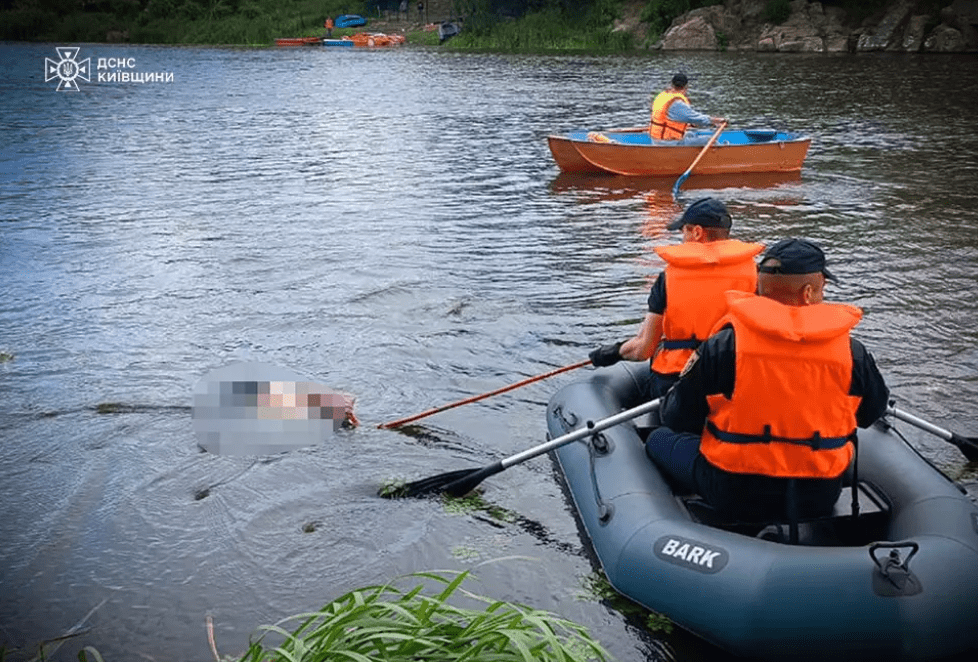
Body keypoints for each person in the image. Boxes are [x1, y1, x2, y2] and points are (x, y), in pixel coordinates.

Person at [645, 238, 890, 523]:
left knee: (657, 438)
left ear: (759, 289)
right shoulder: (853, 353)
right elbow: (871, 413)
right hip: (817, 496)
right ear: (809, 292)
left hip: (732, 489)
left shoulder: (723, 346)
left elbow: (677, 418)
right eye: (824, 287)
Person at [589, 198, 764, 399]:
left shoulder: (669, 278)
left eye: (684, 231)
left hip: (678, 381)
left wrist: (611, 353)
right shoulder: (756, 274)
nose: (682, 238)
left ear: (697, 232)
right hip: (733, 380)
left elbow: (643, 349)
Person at [650, 73, 725, 141]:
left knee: (691, 134)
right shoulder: (676, 102)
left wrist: (694, 123)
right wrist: (715, 120)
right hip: (668, 143)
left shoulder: (662, 96)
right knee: (709, 140)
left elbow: (672, 118)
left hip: (656, 139)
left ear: (672, 84)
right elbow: (695, 118)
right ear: (686, 86)